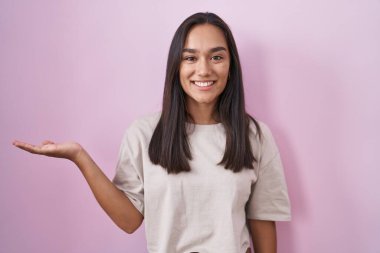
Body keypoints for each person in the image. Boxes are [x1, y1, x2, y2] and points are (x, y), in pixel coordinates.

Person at [13, 12, 291, 253]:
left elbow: (262, 221)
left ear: (231, 66)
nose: (204, 69)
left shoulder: (256, 136)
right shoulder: (144, 133)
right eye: (190, 58)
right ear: (176, 67)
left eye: (216, 56)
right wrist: (79, 156)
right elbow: (129, 220)